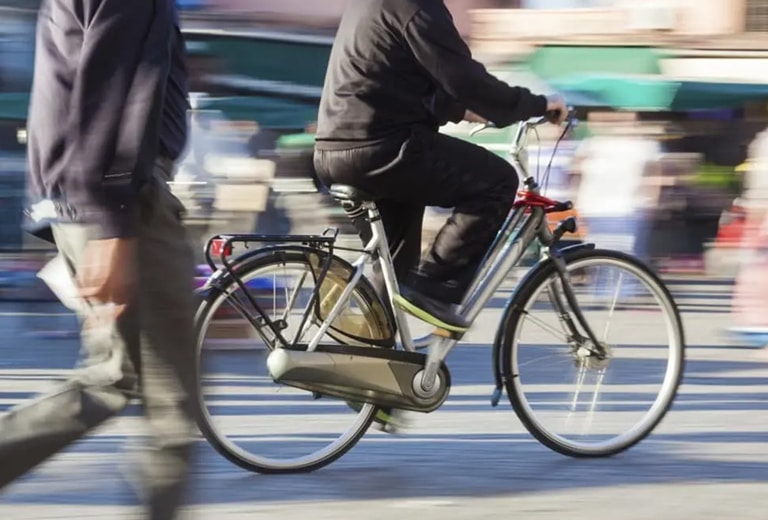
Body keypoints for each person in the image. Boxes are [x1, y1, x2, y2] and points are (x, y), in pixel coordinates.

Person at [1, 1, 197, 518]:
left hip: (94, 200)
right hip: (124, 204)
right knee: (166, 401)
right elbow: (112, 90)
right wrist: (113, 222)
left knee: (124, 382)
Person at [313, 0, 566, 335]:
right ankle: (435, 287)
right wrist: (537, 104)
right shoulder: (416, 6)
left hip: (338, 150)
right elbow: (464, 79)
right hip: (381, 148)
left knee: (393, 268)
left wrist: (463, 111)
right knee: (497, 180)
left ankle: (371, 360)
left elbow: (400, 77)